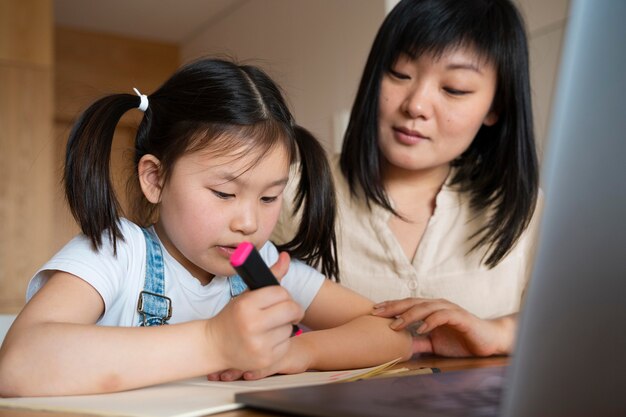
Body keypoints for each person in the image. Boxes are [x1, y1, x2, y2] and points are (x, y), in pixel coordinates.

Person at [0, 58, 411, 397]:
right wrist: (215, 341)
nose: (249, 222)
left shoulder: (262, 266)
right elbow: (18, 366)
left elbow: (393, 332)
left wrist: (298, 352)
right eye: (223, 193)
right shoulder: (117, 252)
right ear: (155, 179)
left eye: (269, 198)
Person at [273, 0, 541, 358]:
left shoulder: (526, 209)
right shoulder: (290, 189)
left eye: (454, 88)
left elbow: (583, 321)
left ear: (495, 107)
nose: (416, 105)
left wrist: (500, 332)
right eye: (400, 73)